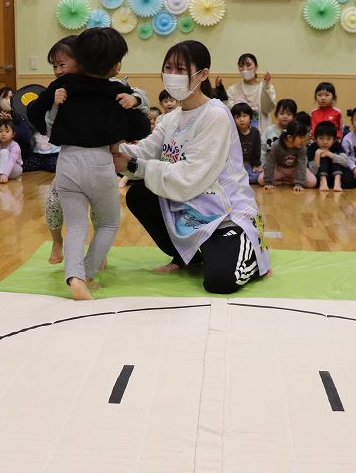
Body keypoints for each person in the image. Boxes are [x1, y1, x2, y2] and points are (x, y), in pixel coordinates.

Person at [113, 40, 271, 294]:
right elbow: (144, 151)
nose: (172, 75)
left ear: (203, 74)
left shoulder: (216, 114)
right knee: (140, 195)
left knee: (219, 281)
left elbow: (191, 176)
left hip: (223, 213)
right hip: (189, 209)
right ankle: (190, 256)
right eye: (168, 68)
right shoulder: (170, 118)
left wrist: (132, 165)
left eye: (181, 69)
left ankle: (253, 255)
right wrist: (110, 148)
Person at [28, 27, 150, 300]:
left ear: (79, 60)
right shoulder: (117, 91)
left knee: (76, 225)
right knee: (108, 223)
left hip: (67, 162)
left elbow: (34, 112)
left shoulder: (63, 86)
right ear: (117, 66)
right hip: (99, 162)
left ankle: (75, 278)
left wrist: (51, 101)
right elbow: (141, 128)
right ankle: (88, 272)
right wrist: (134, 102)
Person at [0, 86, 34, 169]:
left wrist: (11, 124)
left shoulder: (18, 116)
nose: (8, 100)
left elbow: (27, 136)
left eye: (11, 97)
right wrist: (0, 125)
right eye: (5, 97)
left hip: (15, 160)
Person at [216, 53, 276, 126]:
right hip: (240, 131)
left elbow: (268, 109)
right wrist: (220, 91)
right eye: (241, 66)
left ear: (256, 67)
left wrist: (266, 86)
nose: (245, 69)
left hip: (263, 130)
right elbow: (229, 111)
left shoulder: (266, 87)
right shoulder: (233, 90)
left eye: (248, 65)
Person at [260, 120, 315, 192]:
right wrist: (268, 182)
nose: (303, 140)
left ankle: (287, 181)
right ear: (290, 138)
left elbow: (302, 165)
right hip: (280, 169)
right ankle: (289, 181)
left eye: (303, 137)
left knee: (312, 182)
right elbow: (270, 163)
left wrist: (299, 184)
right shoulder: (276, 145)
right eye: (300, 137)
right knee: (261, 180)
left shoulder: (302, 147)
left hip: (295, 170)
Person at [312, 121, 348, 192]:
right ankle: (323, 182)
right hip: (319, 177)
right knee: (323, 157)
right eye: (321, 138)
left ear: (334, 139)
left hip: (335, 176)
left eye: (328, 138)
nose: (325, 142)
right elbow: (313, 172)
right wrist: (317, 156)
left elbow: (345, 162)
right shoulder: (312, 147)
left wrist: (330, 154)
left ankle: (337, 182)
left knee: (337, 159)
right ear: (315, 139)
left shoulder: (337, 145)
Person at [232, 102, 261, 184]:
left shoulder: (255, 132)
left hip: (249, 164)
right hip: (236, 164)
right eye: (237, 117)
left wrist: (255, 165)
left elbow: (257, 150)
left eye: (244, 116)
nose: (241, 120)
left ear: (250, 118)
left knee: (258, 176)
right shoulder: (233, 133)